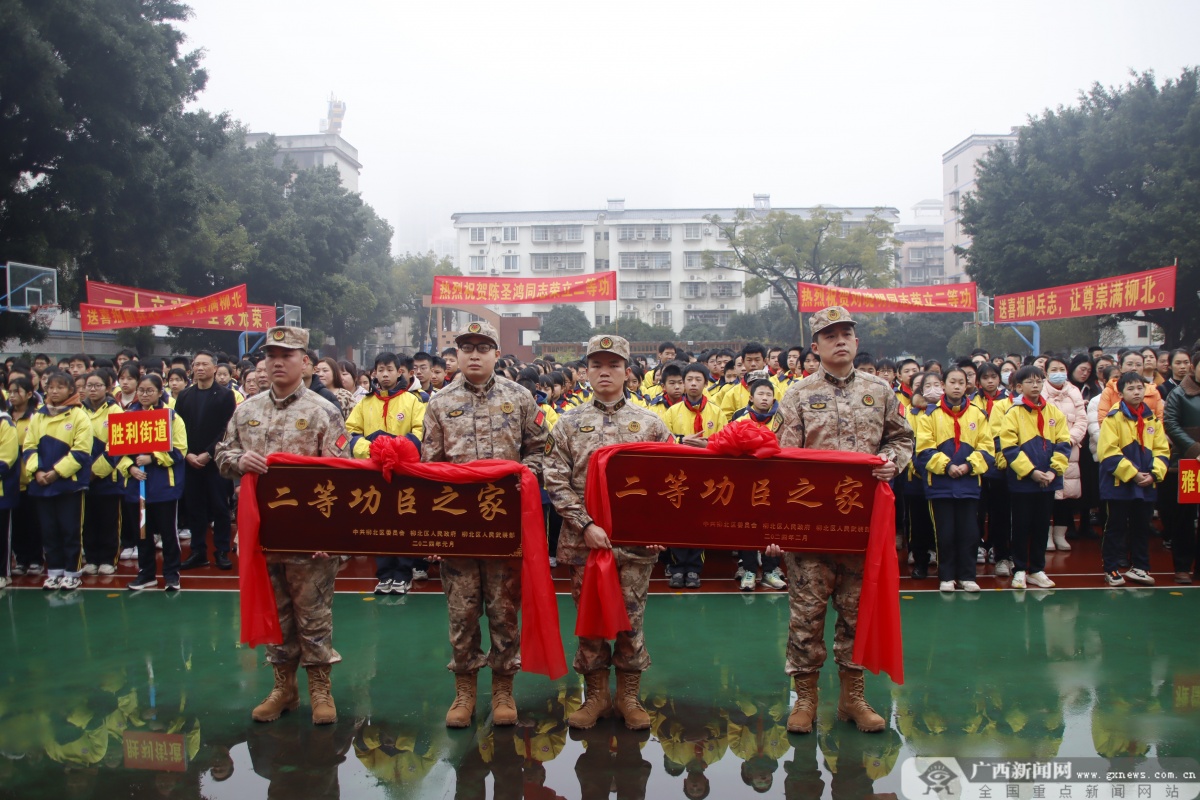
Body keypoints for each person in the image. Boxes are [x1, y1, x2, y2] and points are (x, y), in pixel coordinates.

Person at [771, 306, 913, 735]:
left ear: (855, 341)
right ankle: (806, 700)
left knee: (856, 613)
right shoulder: (796, 395)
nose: (840, 341)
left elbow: (901, 437)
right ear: (815, 347)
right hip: (810, 526)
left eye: (846, 333)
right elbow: (780, 460)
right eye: (829, 335)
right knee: (806, 616)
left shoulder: (881, 390)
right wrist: (778, 527)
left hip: (862, 527)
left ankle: (853, 699)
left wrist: (893, 460)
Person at [215, 325, 352, 725]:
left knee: (313, 615)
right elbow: (224, 452)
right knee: (276, 614)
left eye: (287, 355)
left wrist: (333, 536)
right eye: (271, 355)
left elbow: (342, 478)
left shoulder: (323, 411)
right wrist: (238, 462)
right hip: (263, 533)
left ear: (304, 362)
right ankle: (283, 688)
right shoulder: (247, 410)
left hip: (311, 538)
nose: (277, 361)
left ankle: (320, 689)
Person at [420, 320, 547, 729]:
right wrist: (433, 531)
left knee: (504, 609)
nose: (474, 354)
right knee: (461, 612)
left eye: (483, 347)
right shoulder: (439, 403)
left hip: (505, 527)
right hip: (457, 529)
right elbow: (429, 469)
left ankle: (504, 689)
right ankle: (464, 692)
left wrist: (522, 476)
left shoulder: (521, 397)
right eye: (466, 347)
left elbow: (539, 451)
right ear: (455, 355)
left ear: (496, 353)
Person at [543, 334, 672, 730]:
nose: (604, 371)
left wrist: (655, 529)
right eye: (596, 364)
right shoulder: (567, 423)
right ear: (584, 371)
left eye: (613, 364)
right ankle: (596, 696)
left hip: (633, 547)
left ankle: (629, 697)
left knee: (631, 622)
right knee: (591, 621)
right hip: (585, 545)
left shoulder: (651, 423)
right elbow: (554, 479)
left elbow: (669, 481)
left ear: (627, 372)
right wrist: (585, 524)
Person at [345, 351, 426, 595]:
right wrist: (371, 449)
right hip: (374, 472)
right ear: (374, 373)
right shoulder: (365, 402)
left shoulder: (413, 401)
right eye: (380, 370)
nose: (385, 374)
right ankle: (384, 573)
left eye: (390, 369)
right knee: (379, 523)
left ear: (400, 371)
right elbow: (350, 431)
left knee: (402, 521)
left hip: (403, 472)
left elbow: (420, 431)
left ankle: (403, 573)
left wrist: (397, 448)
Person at [914, 366, 994, 593]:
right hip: (940, 485)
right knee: (945, 533)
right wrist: (947, 466)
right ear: (943, 385)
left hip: (969, 484)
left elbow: (987, 448)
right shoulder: (930, 415)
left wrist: (968, 466)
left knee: (969, 532)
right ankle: (946, 576)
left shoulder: (978, 414)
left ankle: (968, 576)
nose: (957, 386)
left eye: (961, 382)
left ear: (967, 385)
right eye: (952, 382)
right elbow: (923, 449)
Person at [998, 366, 1071, 590]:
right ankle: (1020, 569)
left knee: (1041, 526)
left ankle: (1037, 569)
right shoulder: (1013, 413)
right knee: (1021, 526)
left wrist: (1053, 470)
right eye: (1030, 382)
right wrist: (1031, 472)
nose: (1036, 385)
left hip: (1048, 481)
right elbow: (1009, 447)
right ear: (1019, 387)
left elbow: (1063, 443)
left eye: (1039, 381)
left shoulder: (1055, 413)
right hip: (1023, 482)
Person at [23, 371, 94, 591]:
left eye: (60, 387)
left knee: (70, 529)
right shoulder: (39, 416)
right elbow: (29, 446)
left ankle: (72, 572)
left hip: (69, 485)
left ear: (71, 390)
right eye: (50, 387)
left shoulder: (79, 415)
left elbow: (81, 452)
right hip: (42, 484)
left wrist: (56, 473)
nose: (54, 391)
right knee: (49, 529)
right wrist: (36, 472)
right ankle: (53, 571)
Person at [1097, 371, 1168, 587]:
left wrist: (1155, 473)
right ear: (1120, 393)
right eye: (1131, 388)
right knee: (1116, 526)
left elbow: (1161, 448)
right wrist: (1134, 474)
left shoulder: (1151, 418)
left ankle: (1140, 567)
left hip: (1146, 482)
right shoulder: (1113, 418)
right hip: (1120, 483)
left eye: (1140, 388)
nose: (1136, 392)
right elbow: (1108, 452)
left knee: (1141, 525)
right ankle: (1111, 568)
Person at [119, 374, 189, 592]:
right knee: (142, 533)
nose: (144, 394)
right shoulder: (128, 416)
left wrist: (153, 458)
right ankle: (146, 573)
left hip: (163, 486)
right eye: (141, 390)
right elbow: (116, 450)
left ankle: (171, 574)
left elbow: (180, 450)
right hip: (135, 487)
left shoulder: (171, 417)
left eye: (150, 390)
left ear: (160, 392)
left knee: (168, 533)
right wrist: (129, 467)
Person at [175, 351, 238, 572]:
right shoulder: (184, 396)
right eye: (196, 364)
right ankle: (197, 551)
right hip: (190, 460)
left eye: (204, 364)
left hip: (215, 461)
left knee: (220, 507)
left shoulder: (225, 395)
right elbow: (178, 428)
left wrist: (209, 453)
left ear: (214, 368)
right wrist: (188, 454)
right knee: (194, 507)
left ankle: (221, 550)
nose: (200, 368)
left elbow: (227, 429)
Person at [729, 376, 788, 591]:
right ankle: (750, 571)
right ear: (751, 397)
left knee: (773, 525)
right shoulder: (739, 417)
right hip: (747, 479)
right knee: (748, 525)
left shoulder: (783, 418)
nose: (765, 398)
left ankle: (771, 571)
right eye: (760, 394)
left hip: (775, 479)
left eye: (768, 394)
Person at [972, 363, 1014, 574]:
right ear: (978, 381)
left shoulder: (1009, 402)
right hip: (978, 464)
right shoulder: (971, 401)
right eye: (985, 377)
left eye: (994, 377)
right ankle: (979, 546)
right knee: (978, 511)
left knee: (1000, 512)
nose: (990, 381)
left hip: (1000, 465)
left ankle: (1001, 554)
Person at [80, 370, 123, 575]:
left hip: (108, 478)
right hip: (82, 476)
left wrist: (95, 472)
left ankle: (108, 558)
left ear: (107, 388)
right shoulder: (79, 411)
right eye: (89, 385)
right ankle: (92, 557)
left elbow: (116, 447)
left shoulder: (115, 410)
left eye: (98, 385)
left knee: (108, 519)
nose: (93, 389)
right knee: (87, 520)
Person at [1043, 356, 1087, 552]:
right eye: (1054, 369)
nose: (1058, 372)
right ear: (1046, 372)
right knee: (1048, 495)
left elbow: (1082, 420)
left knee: (1066, 493)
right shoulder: (1041, 391)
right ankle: (1046, 535)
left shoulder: (1074, 392)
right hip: (1048, 449)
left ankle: (1060, 535)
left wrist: (1071, 439)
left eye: (1062, 368)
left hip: (1070, 449)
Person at [1164, 353, 1200, 584]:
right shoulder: (1178, 394)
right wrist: (1194, 449)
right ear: (1193, 368)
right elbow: (1170, 424)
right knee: (1184, 518)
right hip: (1189, 464)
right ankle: (1183, 566)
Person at [1097, 350, 1163, 419]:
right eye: (1129, 364)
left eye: (1138, 365)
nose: (1134, 368)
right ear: (1120, 367)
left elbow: (1160, 419)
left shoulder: (1153, 391)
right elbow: (1104, 420)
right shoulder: (1109, 391)